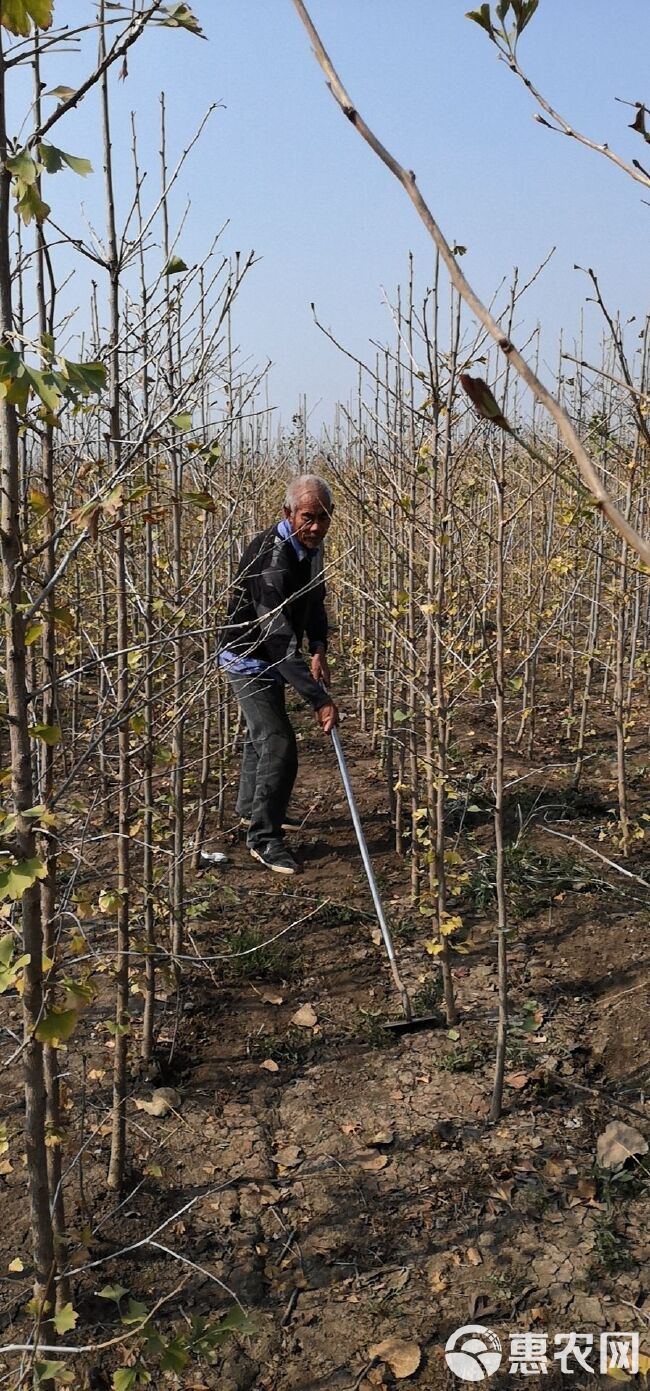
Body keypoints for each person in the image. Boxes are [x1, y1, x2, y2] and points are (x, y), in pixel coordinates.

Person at [218, 474, 339, 875]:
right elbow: (278, 637)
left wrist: (319, 647)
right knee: (278, 742)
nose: (317, 526)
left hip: (274, 654)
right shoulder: (270, 559)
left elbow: (315, 600)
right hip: (248, 656)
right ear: (287, 513)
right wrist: (318, 699)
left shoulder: (311, 546)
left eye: (324, 517)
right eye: (309, 517)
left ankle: (251, 811)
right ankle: (264, 838)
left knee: (263, 735)